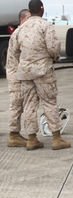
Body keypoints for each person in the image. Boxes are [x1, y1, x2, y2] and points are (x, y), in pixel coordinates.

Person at [10, 0, 71, 151]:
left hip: (25, 72)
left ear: (29, 11)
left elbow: (14, 51)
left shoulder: (21, 28)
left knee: (29, 104)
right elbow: (52, 47)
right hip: (42, 70)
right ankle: (56, 138)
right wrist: (54, 57)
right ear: (42, 9)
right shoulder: (45, 25)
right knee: (49, 102)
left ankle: (31, 139)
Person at [6, 8, 31, 147]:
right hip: (16, 75)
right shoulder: (19, 34)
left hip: (19, 73)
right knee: (16, 104)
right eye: (28, 18)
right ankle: (13, 135)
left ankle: (16, 134)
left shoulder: (20, 33)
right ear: (22, 19)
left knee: (20, 105)